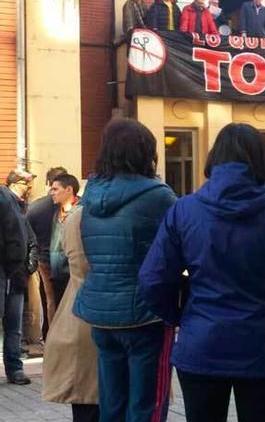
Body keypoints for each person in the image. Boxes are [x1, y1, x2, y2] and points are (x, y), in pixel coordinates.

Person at [139, 123, 265, 422]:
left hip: (202, 340)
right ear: (262, 160)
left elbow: (152, 279)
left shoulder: (184, 210)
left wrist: (180, 315)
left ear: (213, 158)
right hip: (262, 343)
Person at [73, 119, 177, 422]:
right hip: (144, 314)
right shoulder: (159, 196)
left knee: (112, 404)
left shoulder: (89, 197)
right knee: (145, 405)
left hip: (101, 312)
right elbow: (177, 250)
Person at [42, 202, 100, 422]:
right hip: (132, 319)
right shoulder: (150, 207)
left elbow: (60, 262)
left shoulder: (74, 218)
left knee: (85, 404)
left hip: (78, 315)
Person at [0, 169, 36, 385]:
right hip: (8, 271)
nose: (29, 186)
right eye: (26, 182)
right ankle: (14, 369)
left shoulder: (19, 206)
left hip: (15, 273)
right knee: (13, 325)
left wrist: (27, 264)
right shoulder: (5, 199)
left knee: (14, 325)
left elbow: (29, 239)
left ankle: (15, 369)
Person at [27, 166, 68, 340]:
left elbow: (29, 237)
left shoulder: (35, 207)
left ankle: (51, 336)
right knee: (68, 298)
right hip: (68, 259)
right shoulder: (75, 204)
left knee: (49, 299)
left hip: (44, 260)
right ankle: (66, 335)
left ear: (48, 183)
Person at [46, 173, 80, 324]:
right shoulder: (56, 214)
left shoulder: (80, 212)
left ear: (69, 189)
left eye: (55, 188)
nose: (51, 192)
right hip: (58, 275)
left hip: (73, 275)